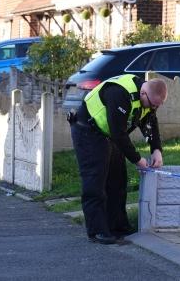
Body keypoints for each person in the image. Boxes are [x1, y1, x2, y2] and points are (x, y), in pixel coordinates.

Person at [68, 74, 166, 245]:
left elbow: (150, 122)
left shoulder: (148, 100)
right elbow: (118, 133)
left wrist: (156, 149)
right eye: (151, 104)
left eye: (156, 106)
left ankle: (118, 227)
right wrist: (137, 160)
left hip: (108, 134)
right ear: (143, 93)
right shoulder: (119, 93)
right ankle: (97, 231)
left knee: (118, 181)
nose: (152, 108)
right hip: (88, 130)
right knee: (95, 180)